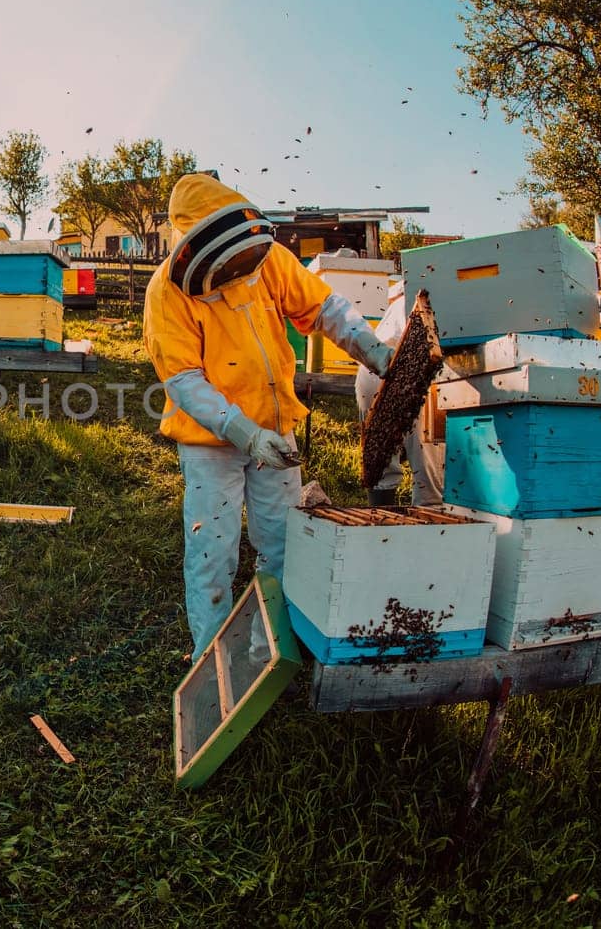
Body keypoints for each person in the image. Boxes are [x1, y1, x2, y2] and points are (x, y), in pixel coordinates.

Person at [143, 173, 393, 659]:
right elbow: (184, 381)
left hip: (277, 434)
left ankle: (265, 654)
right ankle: (213, 661)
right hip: (209, 445)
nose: (238, 275)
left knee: (282, 547)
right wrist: (244, 434)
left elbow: (325, 307)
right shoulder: (166, 291)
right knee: (212, 554)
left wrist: (375, 351)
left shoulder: (270, 258)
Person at [354, 280, 446, 507]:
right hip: (407, 372)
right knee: (429, 469)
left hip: (371, 368)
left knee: (381, 461)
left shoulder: (407, 298)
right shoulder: (436, 299)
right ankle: (428, 525)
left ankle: (380, 520)